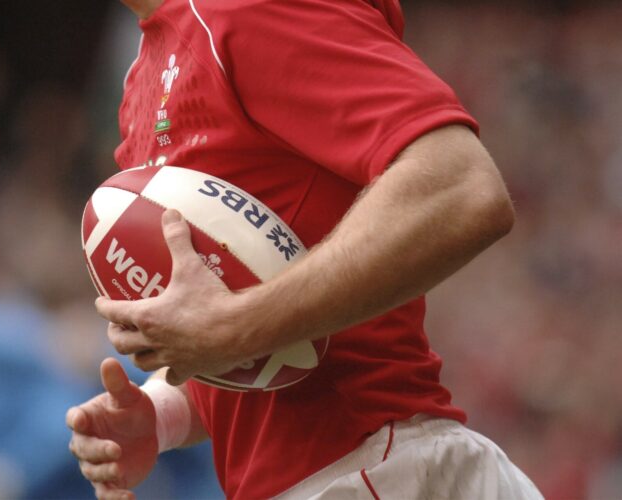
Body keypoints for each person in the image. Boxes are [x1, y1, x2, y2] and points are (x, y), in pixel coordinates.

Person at [67, 0, 544, 498]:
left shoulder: (248, 10)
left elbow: (461, 186)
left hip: (380, 468)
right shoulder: (144, 77)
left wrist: (233, 327)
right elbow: (249, 331)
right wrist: (162, 415)